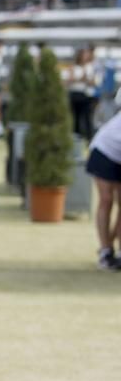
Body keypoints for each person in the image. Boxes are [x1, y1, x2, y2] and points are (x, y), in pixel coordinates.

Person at [85, 110, 121, 270]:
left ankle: (114, 248)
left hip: (118, 155)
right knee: (106, 200)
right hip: (104, 151)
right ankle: (105, 251)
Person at [67, 47, 98, 140]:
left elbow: (93, 83)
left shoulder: (90, 67)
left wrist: (86, 79)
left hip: (86, 95)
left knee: (87, 118)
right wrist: (81, 78)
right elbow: (69, 80)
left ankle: (89, 139)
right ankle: (76, 138)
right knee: (76, 118)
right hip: (75, 95)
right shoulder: (73, 67)